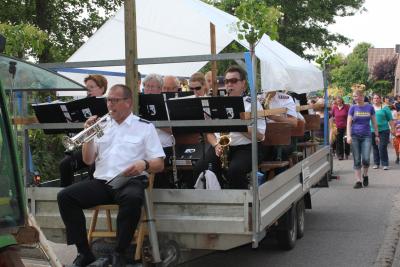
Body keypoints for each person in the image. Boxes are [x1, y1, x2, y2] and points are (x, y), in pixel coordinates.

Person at [57, 84, 165, 266]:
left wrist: (143, 164)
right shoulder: (103, 126)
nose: (110, 105)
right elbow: (88, 159)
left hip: (130, 180)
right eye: (108, 100)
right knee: (65, 197)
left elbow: (159, 164)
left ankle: (119, 253)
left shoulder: (144, 127)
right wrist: (88, 136)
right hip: (102, 182)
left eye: (114, 100)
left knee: (132, 198)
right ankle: (84, 252)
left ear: (128, 103)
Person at [192, 65, 266, 189]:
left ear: (243, 84)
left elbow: (260, 136)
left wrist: (236, 123)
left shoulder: (252, 103)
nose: (229, 85)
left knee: (235, 171)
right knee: (200, 168)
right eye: (227, 81)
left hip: (246, 148)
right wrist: (215, 144)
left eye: (234, 81)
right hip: (220, 146)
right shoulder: (217, 103)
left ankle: (241, 205)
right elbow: (209, 132)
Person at [59, 74, 107, 187]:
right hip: (89, 147)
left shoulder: (108, 104)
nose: (88, 90)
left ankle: (90, 195)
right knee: (65, 164)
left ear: (102, 88)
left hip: (104, 147)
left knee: (93, 168)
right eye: (86, 88)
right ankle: (66, 192)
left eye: (92, 87)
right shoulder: (81, 105)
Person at [346, 89, 379, 189]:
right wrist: (348, 135)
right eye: (354, 96)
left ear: (362, 96)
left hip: (367, 136)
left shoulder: (369, 107)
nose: (355, 98)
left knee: (366, 159)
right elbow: (348, 123)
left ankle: (365, 175)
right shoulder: (352, 108)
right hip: (355, 135)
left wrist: (377, 135)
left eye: (356, 96)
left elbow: (374, 122)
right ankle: (358, 181)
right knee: (356, 159)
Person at [370, 93, 395, 170]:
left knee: (382, 146)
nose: (376, 100)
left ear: (380, 99)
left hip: (384, 130)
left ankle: (385, 163)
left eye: (377, 98)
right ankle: (376, 163)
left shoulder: (385, 108)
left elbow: (390, 119)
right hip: (372, 130)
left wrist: (393, 129)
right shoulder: (370, 108)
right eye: (374, 98)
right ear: (372, 100)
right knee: (374, 147)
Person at [331, 96, 350, 160]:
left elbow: (350, 116)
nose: (338, 102)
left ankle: (347, 153)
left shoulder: (346, 107)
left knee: (346, 140)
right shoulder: (334, 108)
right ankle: (340, 155)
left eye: (340, 100)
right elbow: (332, 116)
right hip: (337, 127)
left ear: (342, 100)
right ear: (336, 101)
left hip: (346, 126)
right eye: (337, 101)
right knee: (339, 141)